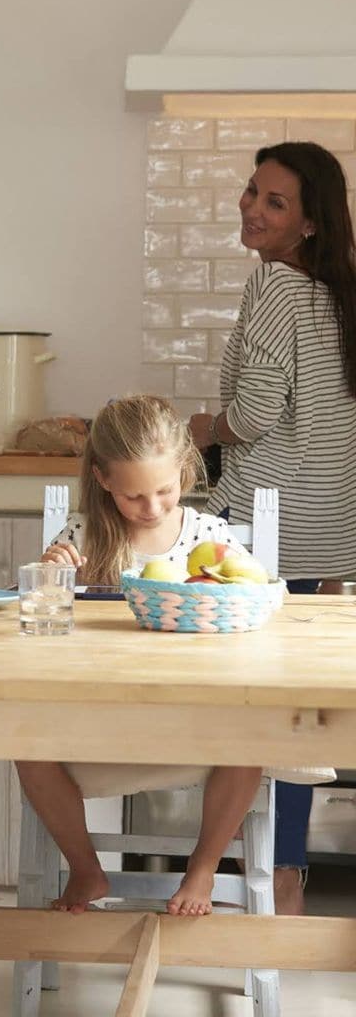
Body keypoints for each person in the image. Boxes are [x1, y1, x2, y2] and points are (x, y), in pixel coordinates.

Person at [188, 141, 356, 915]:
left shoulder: (276, 287)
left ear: (311, 222)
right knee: (291, 713)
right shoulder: (340, 295)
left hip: (262, 527)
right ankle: (285, 878)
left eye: (276, 202)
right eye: (252, 192)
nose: (253, 209)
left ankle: (229, 878)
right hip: (330, 535)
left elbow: (253, 417)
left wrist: (199, 426)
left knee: (243, 708)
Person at [17, 394, 263, 917]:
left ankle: (203, 869)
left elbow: (250, 609)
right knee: (28, 750)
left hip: (193, 716)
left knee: (249, 746)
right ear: (104, 479)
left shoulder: (210, 538)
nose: (151, 508)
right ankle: (86, 870)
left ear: (184, 471)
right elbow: (39, 628)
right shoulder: (84, 539)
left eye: (165, 492)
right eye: (133, 497)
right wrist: (53, 576)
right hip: (102, 716)